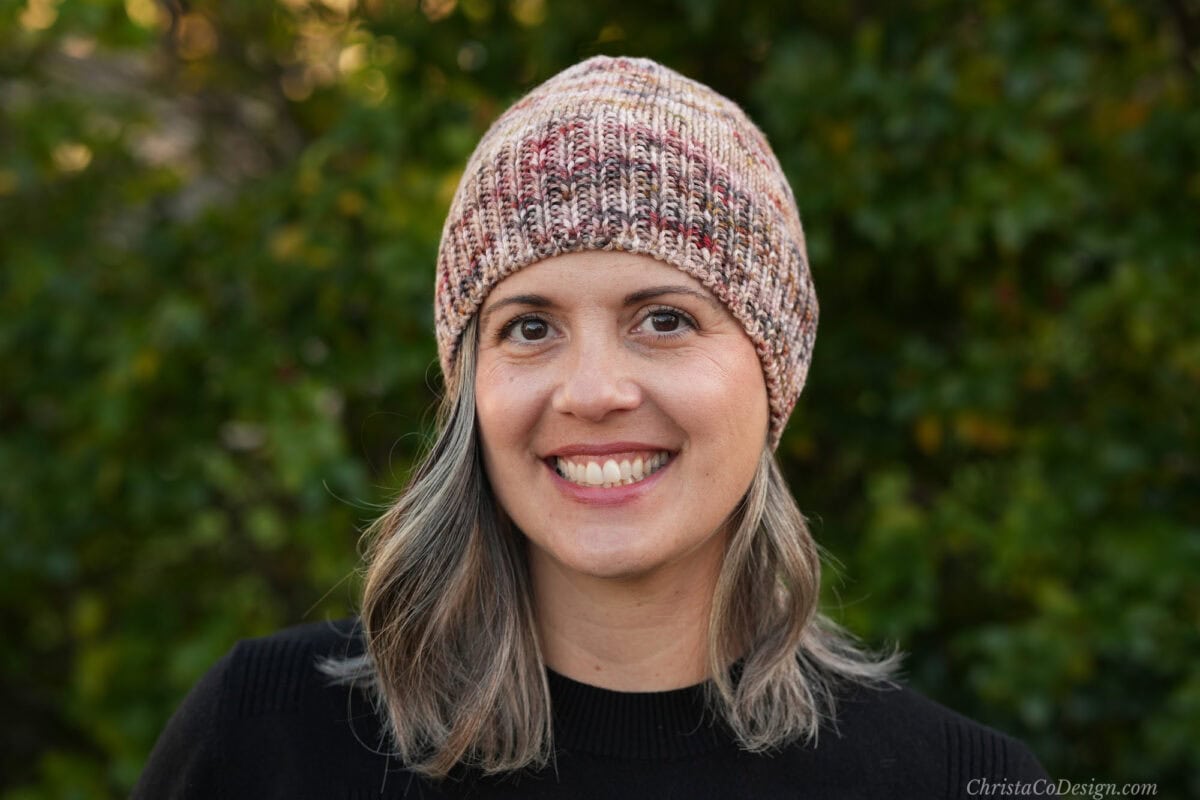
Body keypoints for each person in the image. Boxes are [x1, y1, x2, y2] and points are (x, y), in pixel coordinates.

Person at [135, 55, 1051, 798]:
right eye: (530, 328)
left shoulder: (956, 780)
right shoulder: (266, 738)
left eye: (665, 320)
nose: (593, 391)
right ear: (471, 386)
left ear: (775, 373)